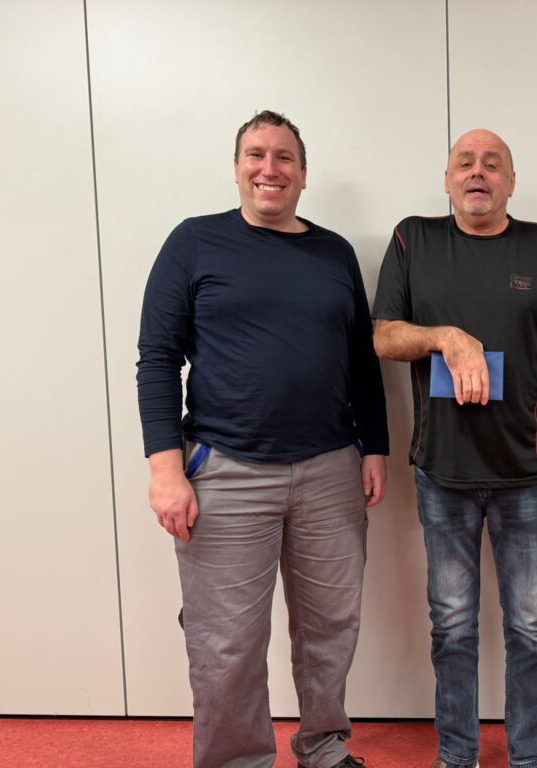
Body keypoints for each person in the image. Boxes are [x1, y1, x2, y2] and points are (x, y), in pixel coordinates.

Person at [137, 110, 388, 768]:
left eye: (283, 158)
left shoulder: (334, 253)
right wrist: (166, 469)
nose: (269, 168)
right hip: (225, 470)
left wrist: (376, 446)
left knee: (332, 625)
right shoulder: (194, 242)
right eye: (256, 155)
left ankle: (323, 746)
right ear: (237, 167)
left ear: (303, 174)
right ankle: (235, 760)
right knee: (226, 641)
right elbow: (158, 359)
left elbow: (361, 362)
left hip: (331, 470)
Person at [372, 129, 537, 768]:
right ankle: (457, 754)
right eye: (464, 163)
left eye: (492, 164)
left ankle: (528, 758)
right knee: (452, 625)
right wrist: (445, 336)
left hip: (528, 471)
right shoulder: (413, 239)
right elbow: (384, 336)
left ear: (511, 182)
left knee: (530, 626)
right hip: (443, 473)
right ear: (446, 180)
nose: (478, 173)